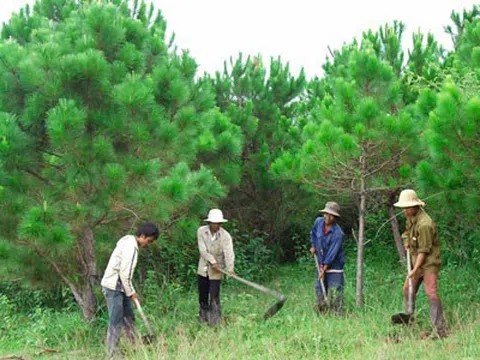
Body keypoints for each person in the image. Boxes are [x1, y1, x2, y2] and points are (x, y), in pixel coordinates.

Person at [101, 222, 159, 357]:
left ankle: (133, 345)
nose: (147, 244)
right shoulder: (131, 248)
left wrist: (129, 291)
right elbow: (124, 274)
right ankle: (113, 354)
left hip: (120, 287)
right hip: (114, 287)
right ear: (142, 236)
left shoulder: (128, 242)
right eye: (148, 241)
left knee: (129, 317)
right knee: (115, 321)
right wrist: (131, 292)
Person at [394, 189, 447, 338]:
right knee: (407, 290)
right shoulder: (411, 217)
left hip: (429, 264)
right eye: (403, 208)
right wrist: (406, 241)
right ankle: (408, 319)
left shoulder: (425, 224)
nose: (404, 210)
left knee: (431, 292)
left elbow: (424, 251)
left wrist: (415, 269)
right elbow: (406, 233)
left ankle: (439, 330)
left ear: (415, 206)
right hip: (416, 261)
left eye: (406, 207)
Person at [197, 209, 234, 326]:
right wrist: (213, 261)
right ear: (209, 223)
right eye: (214, 223)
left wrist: (230, 269)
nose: (216, 225)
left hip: (217, 271)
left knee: (214, 295)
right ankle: (203, 318)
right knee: (203, 295)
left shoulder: (225, 236)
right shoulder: (201, 231)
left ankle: (215, 321)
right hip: (203, 268)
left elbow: (229, 253)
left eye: (219, 223)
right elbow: (203, 250)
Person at [309, 201, 345, 314]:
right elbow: (313, 233)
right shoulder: (318, 222)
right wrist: (313, 245)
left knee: (335, 290)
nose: (328, 217)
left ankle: (337, 313)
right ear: (324, 213)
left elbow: (332, 254)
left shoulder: (338, 234)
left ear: (335, 217)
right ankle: (321, 311)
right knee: (320, 287)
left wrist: (324, 269)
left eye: (331, 215)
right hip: (320, 261)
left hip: (334, 265)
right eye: (326, 214)